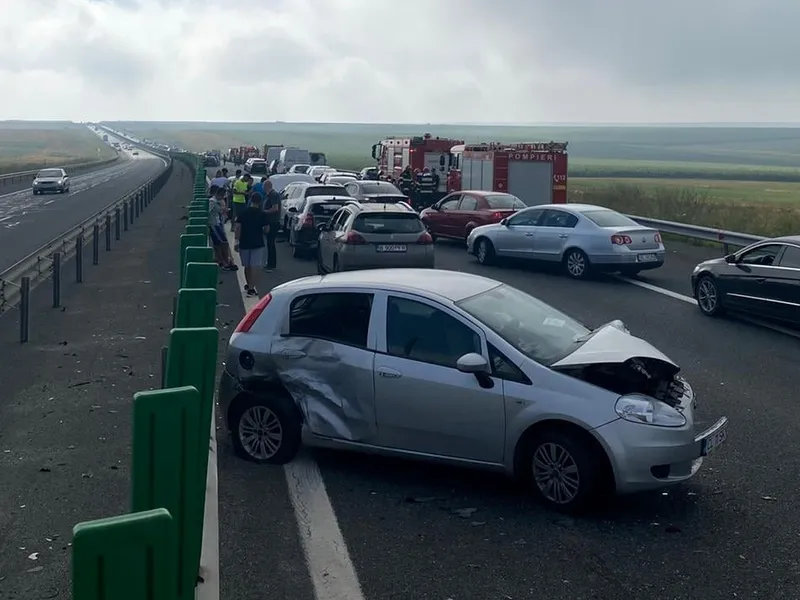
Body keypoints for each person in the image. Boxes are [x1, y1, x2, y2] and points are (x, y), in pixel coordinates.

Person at [234, 193, 270, 297]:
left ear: (250, 200)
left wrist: (236, 241)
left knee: (247, 265)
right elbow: (266, 229)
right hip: (257, 242)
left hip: (244, 242)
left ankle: (248, 283)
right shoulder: (262, 214)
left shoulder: (243, 212)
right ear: (260, 201)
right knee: (255, 266)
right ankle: (251, 287)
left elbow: (237, 228)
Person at [208, 186, 237, 271]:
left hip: (217, 223)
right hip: (214, 225)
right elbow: (208, 212)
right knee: (222, 243)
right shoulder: (212, 202)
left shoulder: (216, 202)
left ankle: (222, 260)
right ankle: (225, 262)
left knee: (218, 244)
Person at [261, 180, 281, 271]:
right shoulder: (269, 195)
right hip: (270, 221)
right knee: (269, 243)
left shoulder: (273, 195)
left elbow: (275, 208)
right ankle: (270, 263)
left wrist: (264, 212)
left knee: (271, 243)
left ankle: (271, 265)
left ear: (266, 186)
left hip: (273, 222)